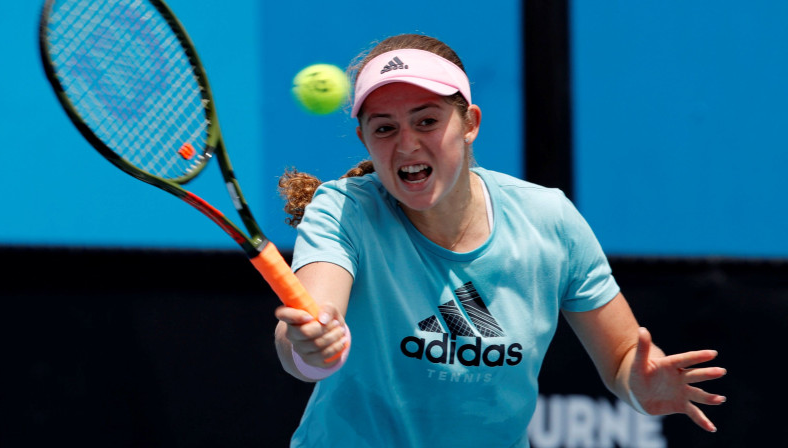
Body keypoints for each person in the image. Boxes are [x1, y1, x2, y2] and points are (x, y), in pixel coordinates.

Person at [274, 33, 726, 447]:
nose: (407, 144)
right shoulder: (342, 209)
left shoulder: (549, 220)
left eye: (426, 121)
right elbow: (314, 323)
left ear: (469, 122)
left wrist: (638, 383)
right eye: (385, 128)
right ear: (364, 139)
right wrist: (313, 346)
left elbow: (624, 355)